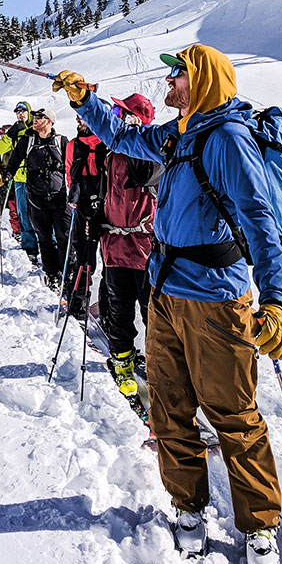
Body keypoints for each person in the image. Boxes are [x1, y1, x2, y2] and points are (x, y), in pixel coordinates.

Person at [52, 45, 282, 564]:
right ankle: (188, 506)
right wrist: (86, 101)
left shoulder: (227, 138)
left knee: (235, 416)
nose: (167, 82)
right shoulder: (176, 133)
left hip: (216, 302)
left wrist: (275, 301)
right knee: (169, 406)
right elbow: (122, 136)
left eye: (176, 74)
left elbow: (261, 221)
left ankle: (260, 528)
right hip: (163, 295)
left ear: (201, 80)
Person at [94, 94, 160, 400]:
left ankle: (160, 367)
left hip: (144, 249)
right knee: (118, 310)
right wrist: (95, 216)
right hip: (114, 246)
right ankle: (122, 362)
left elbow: (146, 176)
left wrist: (135, 136)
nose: (116, 116)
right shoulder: (110, 154)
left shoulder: (153, 151)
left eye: (121, 112)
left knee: (152, 314)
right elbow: (107, 194)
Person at [7, 108, 69, 288]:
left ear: (50, 121)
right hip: (36, 198)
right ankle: (52, 274)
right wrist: (6, 175)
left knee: (64, 237)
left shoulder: (61, 141)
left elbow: (72, 165)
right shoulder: (27, 141)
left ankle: (66, 273)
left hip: (60, 198)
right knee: (44, 238)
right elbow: (13, 162)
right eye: (34, 116)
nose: (35, 119)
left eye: (40, 117)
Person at [63, 115, 106, 319]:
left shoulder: (107, 143)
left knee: (109, 259)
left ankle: (106, 305)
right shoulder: (73, 145)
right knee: (83, 255)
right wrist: (73, 193)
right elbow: (69, 170)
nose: (79, 122)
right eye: (78, 119)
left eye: (83, 118)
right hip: (82, 205)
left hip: (106, 206)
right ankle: (78, 302)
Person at [0, 101, 38, 263]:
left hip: (37, 178)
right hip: (20, 178)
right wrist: (11, 134)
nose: (20, 114)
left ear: (29, 111)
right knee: (23, 214)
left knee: (42, 213)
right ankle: (29, 247)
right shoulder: (15, 130)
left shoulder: (36, 124)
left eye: (23, 111)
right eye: (17, 112)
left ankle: (50, 243)